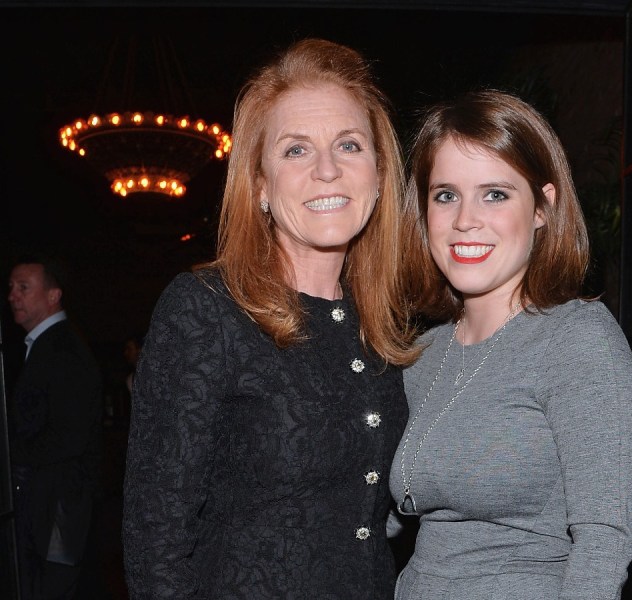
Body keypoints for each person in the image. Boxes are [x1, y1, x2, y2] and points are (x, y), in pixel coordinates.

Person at [122, 38, 418, 599]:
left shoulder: (386, 328)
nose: (327, 170)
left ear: (379, 176)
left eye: (349, 145)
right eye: (296, 150)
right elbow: (154, 536)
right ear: (259, 185)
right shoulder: (205, 309)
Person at [389, 90, 632, 599]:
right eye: (446, 195)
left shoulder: (577, 339)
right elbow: (388, 512)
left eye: (495, 194)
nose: (465, 219)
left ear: (543, 207)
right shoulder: (420, 355)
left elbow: (603, 543)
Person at [7, 254, 102, 599]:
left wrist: (10, 455)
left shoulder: (62, 350)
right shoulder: (48, 345)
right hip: (49, 505)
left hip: (59, 509)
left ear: (53, 295)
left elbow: (70, 436)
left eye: (23, 288)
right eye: (11, 288)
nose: (12, 296)